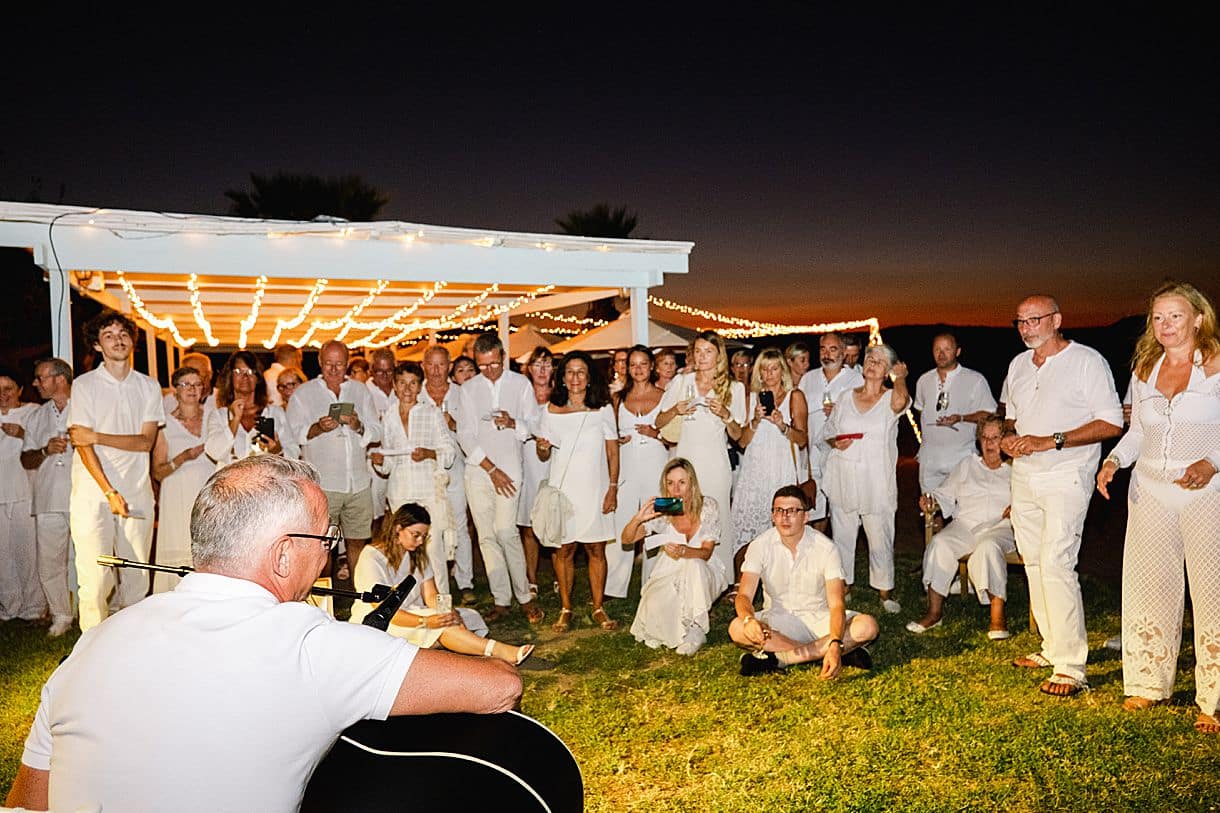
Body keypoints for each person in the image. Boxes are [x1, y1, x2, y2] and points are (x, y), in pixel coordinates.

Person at [4, 454, 521, 813]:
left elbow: (26, 801)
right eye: (325, 537)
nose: (331, 554)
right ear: (282, 554)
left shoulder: (98, 640)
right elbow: (499, 686)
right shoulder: (312, 646)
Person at [1096, 281, 1220, 733]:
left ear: (1198, 319)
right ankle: (1149, 683)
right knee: (1149, 586)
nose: (1165, 325)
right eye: (1158, 317)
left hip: (1207, 493)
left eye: (1176, 316)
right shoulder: (1145, 367)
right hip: (1149, 490)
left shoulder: (1217, 365)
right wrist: (1113, 461)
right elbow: (1137, 432)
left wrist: (1212, 462)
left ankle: (1215, 698)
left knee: (1213, 592)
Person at [1000, 294, 1122, 698]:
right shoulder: (1018, 365)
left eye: (1034, 320)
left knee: (1056, 561)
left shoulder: (1086, 361)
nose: (1026, 328)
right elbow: (1011, 416)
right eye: (1020, 321)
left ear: (1056, 320)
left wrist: (1051, 441)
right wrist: (1009, 439)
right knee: (1033, 561)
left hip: (1066, 475)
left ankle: (1071, 665)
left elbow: (1111, 422)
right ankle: (1051, 647)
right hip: (1025, 476)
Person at [67, 310, 164, 631]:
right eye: (108, 335)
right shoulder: (84, 385)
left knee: (137, 578)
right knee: (95, 579)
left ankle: (130, 645)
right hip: (92, 495)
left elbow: (145, 442)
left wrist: (96, 435)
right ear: (97, 345)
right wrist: (108, 492)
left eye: (123, 334)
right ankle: (91, 648)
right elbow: (82, 445)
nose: (118, 340)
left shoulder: (148, 386)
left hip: (137, 492)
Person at [350, 503, 536, 666]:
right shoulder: (372, 556)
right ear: (398, 528)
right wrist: (425, 621)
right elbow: (381, 607)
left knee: (467, 616)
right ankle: (499, 651)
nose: (421, 541)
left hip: (414, 612)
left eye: (424, 536)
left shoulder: (416, 554)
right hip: (382, 619)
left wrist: (448, 611)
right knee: (440, 626)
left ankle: (454, 646)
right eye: (416, 535)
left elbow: (431, 595)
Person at [729, 486, 879, 677]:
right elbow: (743, 596)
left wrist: (834, 640)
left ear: (806, 517)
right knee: (737, 628)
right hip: (777, 623)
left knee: (867, 626)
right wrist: (750, 620)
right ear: (772, 516)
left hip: (819, 620)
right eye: (779, 511)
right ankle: (835, 652)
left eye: (792, 511)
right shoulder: (760, 545)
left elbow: (836, 604)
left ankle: (781, 659)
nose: (784, 517)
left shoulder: (825, 547)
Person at [455, 333, 543, 623]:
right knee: (487, 536)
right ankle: (501, 599)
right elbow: (464, 433)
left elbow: (533, 424)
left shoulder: (520, 384)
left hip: (510, 468)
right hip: (480, 470)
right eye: (482, 366)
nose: (488, 371)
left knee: (506, 531)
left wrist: (513, 422)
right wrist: (490, 468)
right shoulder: (468, 389)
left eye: (493, 364)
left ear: (502, 357)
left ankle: (525, 596)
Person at [907, 415, 1014, 638]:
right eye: (984, 438)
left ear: (1005, 440)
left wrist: (1019, 507)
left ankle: (997, 618)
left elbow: (1030, 499)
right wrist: (931, 501)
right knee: (940, 543)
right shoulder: (968, 464)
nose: (989, 444)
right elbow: (944, 493)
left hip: (1001, 526)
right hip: (965, 523)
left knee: (988, 546)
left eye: (995, 438)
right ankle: (934, 613)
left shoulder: (1016, 469)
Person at [535, 350, 620, 632]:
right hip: (564, 492)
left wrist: (612, 489)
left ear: (589, 377)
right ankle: (566, 607)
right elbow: (544, 453)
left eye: (581, 371)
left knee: (596, 549)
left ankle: (598, 607)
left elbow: (612, 452)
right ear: (562, 377)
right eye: (569, 372)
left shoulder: (603, 409)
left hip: (594, 489)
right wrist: (542, 448)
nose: (575, 378)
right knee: (564, 550)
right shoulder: (550, 409)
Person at [821, 343, 910, 613]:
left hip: (876, 478)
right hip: (844, 474)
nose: (872, 363)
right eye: (869, 358)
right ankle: (843, 586)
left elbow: (900, 404)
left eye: (880, 361)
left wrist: (902, 378)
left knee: (880, 534)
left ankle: (885, 592)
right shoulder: (846, 397)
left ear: (887, 371)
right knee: (843, 534)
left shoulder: (892, 396)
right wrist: (835, 442)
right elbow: (828, 431)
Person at [287, 340, 381, 593]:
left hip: (358, 482)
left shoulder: (360, 391)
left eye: (339, 364)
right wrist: (318, 427)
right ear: (320, 362)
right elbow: (293, 433)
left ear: (347, 363)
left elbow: (376, 430)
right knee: (322, 545)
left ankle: (357, 596)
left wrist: (358, 425)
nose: (334, 369)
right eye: (329, 364)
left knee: (358, 542)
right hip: (324, 483)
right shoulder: (304, 394)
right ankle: (324, 599)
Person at [656, 331, 747, 582]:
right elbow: (658, 421)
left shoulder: (734, 387)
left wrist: (726, 415)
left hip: (715, 463)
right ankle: (679, 574)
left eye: (708, 351)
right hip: (686, 460)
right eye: (697, 351)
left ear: (719, 355)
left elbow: (738, 435)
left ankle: (723, 579)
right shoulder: (681, 382)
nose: (702, 356)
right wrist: (676, 409)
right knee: (681, 513)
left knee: (717, 518)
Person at [370, 362, 457, 595]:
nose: (407, 389)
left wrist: (428, 453)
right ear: (395, 386)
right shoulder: (388, 416)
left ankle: (442, 602)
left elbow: (449, 451)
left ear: (420, 386)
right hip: (400, 492)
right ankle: (413, 603)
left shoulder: (431, 412)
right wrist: (379, 461)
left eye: (413, 383)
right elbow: (389, 464)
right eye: (402, 383)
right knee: (406, 549)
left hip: (429, 489)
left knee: (433, 548)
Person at [626, 458, 725, 654]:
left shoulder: (707, 506)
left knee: (694, 564)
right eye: (670, 483)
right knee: (654, 609)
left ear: (692, 483)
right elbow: (627, 539)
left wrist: (683, 551)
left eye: (682, 482)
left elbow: (705, 553)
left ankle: (696, 630)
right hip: (669, 570)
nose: (676, 489)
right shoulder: (664, 511)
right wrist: (639, 518)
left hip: (703, 570)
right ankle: (678, 626)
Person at [731, 348, 809, 575]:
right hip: (754, 472)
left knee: (781, 530)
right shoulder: (751, 398)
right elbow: (743, 442)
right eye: (764, 368)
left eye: (774, 368)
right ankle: (742, 583)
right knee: (745, 530)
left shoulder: (795, 396)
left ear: (782, 370)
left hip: (780, 469)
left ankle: (781, 581)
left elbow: (802, 439)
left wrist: (782, 425)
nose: (769, 373)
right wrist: (755, 420)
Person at [20, 358, 75, 635]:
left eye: (40, 377)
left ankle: (101, 610)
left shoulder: (85, 407)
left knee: (91, 556)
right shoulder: (37, 415)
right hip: (47, 497)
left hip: (81, 495)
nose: (35, 383)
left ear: (60, 379)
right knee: (50, 559)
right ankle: (61, 614)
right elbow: (26, 459)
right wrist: (44, 451)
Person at [611, 345, 668, 592]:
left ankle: (653, 584)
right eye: (632, 364)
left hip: (656, 463)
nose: (638, 369)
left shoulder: (665, 396)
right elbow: (608, 434)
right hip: (627, 465)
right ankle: (614, 584)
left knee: (656, 519)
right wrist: (617, 438)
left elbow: (675, 436)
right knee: (621, 520)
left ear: (651, 366)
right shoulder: (618, 398)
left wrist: (656, 434)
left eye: (643, 363)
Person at [421, 345, 476, 604]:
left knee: (459, 527)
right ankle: (431, 584)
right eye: (431, 365)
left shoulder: (463, 394)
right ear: (423, 366)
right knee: (430, 531)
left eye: (441, 365)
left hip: (456, 470)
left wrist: (455, 425)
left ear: (449, 365)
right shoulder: (414, 393)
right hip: (425, 474)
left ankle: (465, 582)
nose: (435, 371)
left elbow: (473, 430)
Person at [150, 366, 212, 592]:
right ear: (175, 390)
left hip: (207, 492)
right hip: (177, 493)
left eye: (197, 384)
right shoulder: (164, 425)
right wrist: (183, 457)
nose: (192, 389)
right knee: (180, 546)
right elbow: (158, 471)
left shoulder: (213, 417)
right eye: (185, 384)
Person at [912, 332, 997, 493]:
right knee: (931, 509)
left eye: (947, 349)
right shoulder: (923, 380)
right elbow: (920, 410)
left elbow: (989, 415)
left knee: (963, 510)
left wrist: (962, 418)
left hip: (962, 458)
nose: (941, 354)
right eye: (937, 349)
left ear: (957, 351)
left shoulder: (975, 379)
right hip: (930, 460)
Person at [797, 332, 864, 530]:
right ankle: (816, 551)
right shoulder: (808, 378)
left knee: (839, 508)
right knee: (813, 507)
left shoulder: (856, 380)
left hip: (840, 452)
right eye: (823, 349)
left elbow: (863, 416)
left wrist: (840, 411)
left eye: (833, 349)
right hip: (811, 453)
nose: (827, 354)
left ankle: (838, 550)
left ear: (843, 353)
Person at [1, 366, 44, 623]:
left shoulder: (33, 413)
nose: (3, 394)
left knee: (27, 553)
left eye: (8, 388)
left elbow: (45, 443)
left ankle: (34, 607)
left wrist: (23, 433)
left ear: (19, 390)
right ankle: (9, 606)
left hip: (25, 492)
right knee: (3, 555)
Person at [516, 346, 554, 598]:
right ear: (529, 369)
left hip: (554, 462)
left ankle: (559, 574)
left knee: (554, 521)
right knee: (528, 525)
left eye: (547, 364)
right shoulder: (521, 395)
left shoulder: (560, 395)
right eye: (537, 364)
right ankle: (531, 578)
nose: (542, 370)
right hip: (527, 460)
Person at [205, 350, 287, 465]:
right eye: (238, 371)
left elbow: (293, 453)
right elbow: (214, 453)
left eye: (250, 371)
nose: (245, 377)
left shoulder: (275, 413)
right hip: (231, 482)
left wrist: (276, 450)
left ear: (257, 378)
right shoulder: (219, 415)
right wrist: (235, 420)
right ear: (230, 376)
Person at [365, 348, 399, 528]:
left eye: (389, 370)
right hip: (374, 461)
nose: (385, 375)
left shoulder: (402, 389)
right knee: (374, 514)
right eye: (379, 371)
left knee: (398, 513)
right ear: (371, 371)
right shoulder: (363, 391)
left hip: (398, 459)